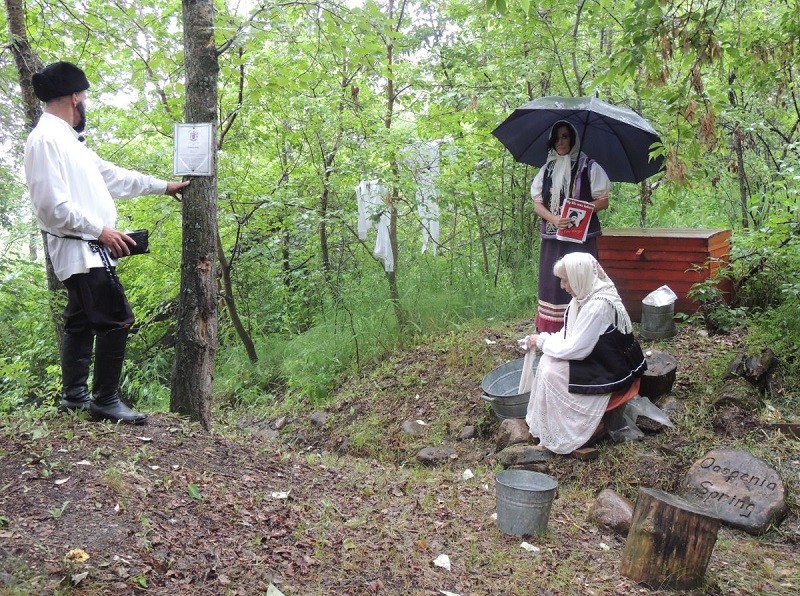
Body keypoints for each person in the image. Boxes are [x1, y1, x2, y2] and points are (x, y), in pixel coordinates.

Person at [24, 61, 189, 425]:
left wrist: (164, 186)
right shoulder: (45, 140)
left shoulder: (69, 141)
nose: (85, 104)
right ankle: (105, 400)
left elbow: (113, 176)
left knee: (81, 320)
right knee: (117, 319)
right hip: (81, 250)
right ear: (74, 97)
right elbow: (50, 207)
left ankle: (74, 397)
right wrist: (100, 230)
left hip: (89, 249)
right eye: (83, 97)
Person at [519, 253, 647, 454]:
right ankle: (552, 426)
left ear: (579, 277)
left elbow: (576, 349)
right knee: (547, 363)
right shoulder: (582, 296)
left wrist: (542, 341)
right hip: (597, 354)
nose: (562, 286)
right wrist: (539, 340)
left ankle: (578, 428)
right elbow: (569, 334)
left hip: (612, 366)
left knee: (552, 372)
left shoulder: (598, 305)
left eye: (565, 280)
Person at [531, 121, 610, 332]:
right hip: (553, 235)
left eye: (565, 137)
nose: (560, 142)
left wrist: (577, 212)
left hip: (581, 236)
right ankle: (553, 329)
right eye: (557, 138)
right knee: (554, 280)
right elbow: (537, 204)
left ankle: (585, 327)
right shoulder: (546, 169)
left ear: (573, 139)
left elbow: (603, 201)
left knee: (581, 277)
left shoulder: (589, 167)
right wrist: (555, 219)